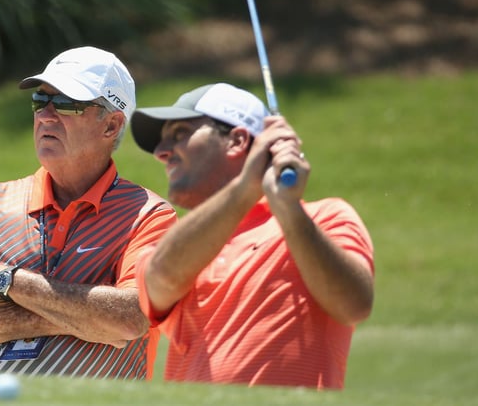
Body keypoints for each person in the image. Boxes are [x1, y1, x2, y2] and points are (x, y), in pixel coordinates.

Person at [0, 46, 177, 379]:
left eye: (65, 104)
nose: (45, 115)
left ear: (111, 126)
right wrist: (76, 319)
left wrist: (11, 282)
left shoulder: (149, 216)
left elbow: (129, 318)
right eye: (39, 101)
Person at [129, 82, 375, 389]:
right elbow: (161, 282)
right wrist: (246, 187)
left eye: (179, 134)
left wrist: (287, 208)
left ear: (237, 140)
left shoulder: (323, 219)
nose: (161, 153)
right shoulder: (175, 242)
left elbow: (354, 304)